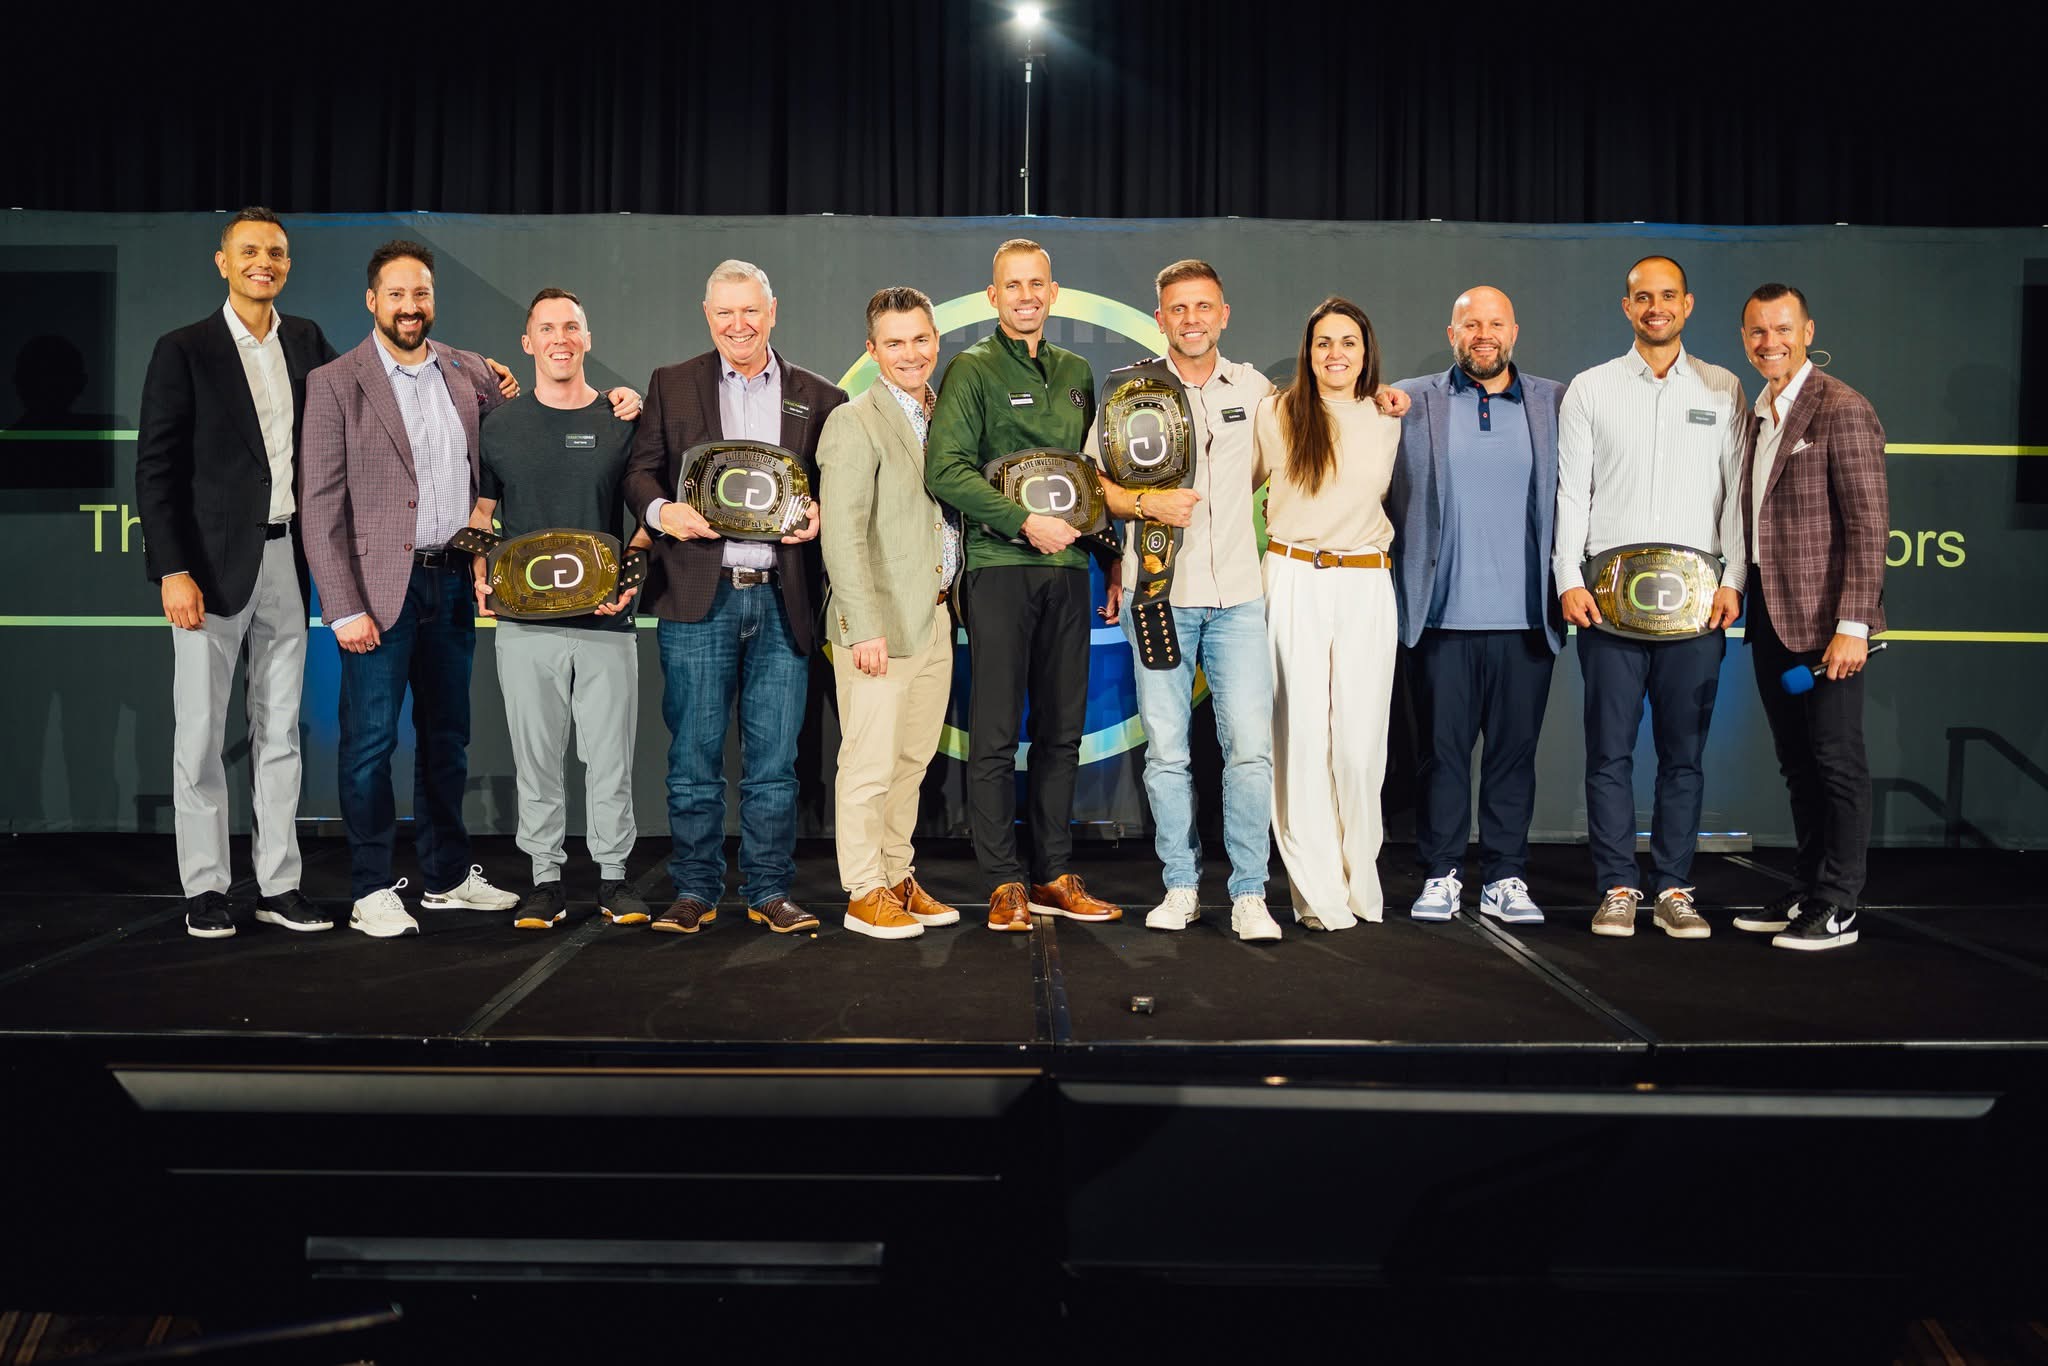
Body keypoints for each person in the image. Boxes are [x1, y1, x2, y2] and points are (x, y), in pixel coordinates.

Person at [300, 240, 630, 938]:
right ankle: (370, 888)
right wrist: (342, 606)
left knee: (446, 741)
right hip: (377, 592)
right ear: (372, 301)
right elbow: (321, 503)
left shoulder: (471, 371)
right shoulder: (334, 382)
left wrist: (619, 398)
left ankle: (446, 877)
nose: (410, 306)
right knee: (367, 746)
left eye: (420, 293)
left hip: (452, 586)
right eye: (395, 294)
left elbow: (518, 444)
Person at [621, 260, 846, 936]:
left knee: (774, 765)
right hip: (698, 594)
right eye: (725, 312)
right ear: (707, 313)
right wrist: (663, 512)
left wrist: (821, 515)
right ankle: (694, 890)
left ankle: (770, 890)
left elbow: (835, 488)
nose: (738, 324)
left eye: (750, 310)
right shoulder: (672, 383)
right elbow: (639, 471)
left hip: (784, 599)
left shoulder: (820, 395)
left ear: (772, 311)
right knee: (693, 756)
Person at [135, 208, 337, 939]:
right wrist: (171, 570)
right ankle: (207, 888)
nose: (264, 262)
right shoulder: (183, 349)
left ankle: (280, 886)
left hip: (291, 556)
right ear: (223, 262)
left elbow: (369, 398)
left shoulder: (309, 340)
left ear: (286, 265)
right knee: (200, 736)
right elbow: (154, 470)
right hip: (209, 569)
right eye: (249, 251)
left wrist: (479, 372)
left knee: (280, 732)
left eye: (276, 252)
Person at [924, 238, 1123, 933]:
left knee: (1063, 730)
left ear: (1054, 291)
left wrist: (1113, 554)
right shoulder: (970, 370)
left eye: (1036, 284)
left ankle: (1052, 874)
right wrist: (1022, 522)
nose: (1026, 296)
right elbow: (945, 471)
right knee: (996, 733)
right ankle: (1003, 881)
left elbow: (1091, 478)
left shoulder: (1076, 371)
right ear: (993, 297)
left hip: (1070, 574)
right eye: (1013, 285)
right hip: (1000, 570)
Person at [1085, 260, 1282, 942]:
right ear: (1161, 315)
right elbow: (1098, 485)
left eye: (1204, 307)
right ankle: (1180, 884)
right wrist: (1145, 502)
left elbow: (1296, 450)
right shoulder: (1127, 389)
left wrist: (1383, 400)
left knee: (1250, 751)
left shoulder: (1256, 389)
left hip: (1239, 602)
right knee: (1168, 752)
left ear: (1223, 314)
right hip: (1159, 598)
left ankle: (1250, 893)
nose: (1191, 318)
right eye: (1178, 308)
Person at [1554, 256, 1746, 940]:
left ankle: (1672, 886)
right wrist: (1567, 578)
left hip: (1697, 610)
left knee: (1683, 755)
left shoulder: (1724, 388)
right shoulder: (1591, 388)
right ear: (1626, 306)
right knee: (1608, 754)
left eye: (1667, 296)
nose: (1655, 306)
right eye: (1642, 296)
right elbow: (1572, 493)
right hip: (1607, 605)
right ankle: (1616, 886)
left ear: (1688, 305)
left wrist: (1735, 579)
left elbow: (1736, 498)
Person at [471, 288, 650, 931]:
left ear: (587, 337)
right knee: (537, 760)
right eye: (546, 329)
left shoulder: (621, 417)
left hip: (606, 622)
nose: (559, 338)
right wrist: (478, 564)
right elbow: (483, 516)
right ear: (528, 343)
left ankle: (613, 879)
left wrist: (632, 571)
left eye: (570, 326)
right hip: (524, 627)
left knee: (609, 761)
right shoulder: (500, 426)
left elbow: (646, 513)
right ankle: (545, 879)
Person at [1387, 287, 1566, 926]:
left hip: (1526, 619)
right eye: (1470, 324)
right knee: (1441, 757)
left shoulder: (1555, 401)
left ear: (1513, 330)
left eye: (1494, 323)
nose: (1482, 334)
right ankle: (1441, 873)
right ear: (1452, 331)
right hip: (1440, 620)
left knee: (1514, 757)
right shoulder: (1409, 401)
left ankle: (1507, 876)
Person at [1729, 284, 1887, 952]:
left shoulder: (1842, 407)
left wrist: (1855, 623)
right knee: (1797, 760)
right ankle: (1809, 885)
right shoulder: (1756, 410)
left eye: (1783, 329)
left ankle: (1840, 901)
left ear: (1808, 330)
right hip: (1772, 620)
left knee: (1836, 759)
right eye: (1758, 331)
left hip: (1829, 632)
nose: (1770, 342)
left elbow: (1869, 525)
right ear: (1745, 338)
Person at [816, 287, 963, 941]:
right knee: (870, 763)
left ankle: (897, 873)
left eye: (921, 339)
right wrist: (863, 626)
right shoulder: (854, 422)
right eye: (895, 343)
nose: (912, 353)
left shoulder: (946, 414)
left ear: (936, 341)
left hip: (934, 619)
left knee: (912, 762)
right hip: (876, 627)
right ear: (873, 351)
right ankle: (864, 889)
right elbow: (841, 535)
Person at [1253, 296, 1403, 931]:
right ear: (1307, 353)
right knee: (1302, 739)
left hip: (1368, 585)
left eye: (1348, 341)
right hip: (1294, 578)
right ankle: (1315, 891)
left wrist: (1390, 396)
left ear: (1365, 352)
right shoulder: (1275, 413)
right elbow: (1234, 491)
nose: (1335, 353)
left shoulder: (1391, 414)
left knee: (1361, 746)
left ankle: (1358, 879)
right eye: (1323, 342)